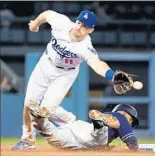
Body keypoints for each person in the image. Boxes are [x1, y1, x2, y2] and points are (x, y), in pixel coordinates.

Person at [11, 10, 134, 150]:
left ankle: (71, 123)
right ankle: (27, 140)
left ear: (91, 30)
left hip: (65, 75)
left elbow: (97, 64)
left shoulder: (85, 47)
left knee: (45, 109)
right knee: (29, 103)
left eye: (84, 27)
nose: (79, 28)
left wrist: (111, 75)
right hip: (45, 65)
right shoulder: (62, 23)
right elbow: (47, 14)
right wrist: (35, 23)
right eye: (79, 23)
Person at [24, 102, 139, 151]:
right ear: (126, 113)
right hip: (91, 136)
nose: (130, 124)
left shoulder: (114, 117)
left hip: (77, 129)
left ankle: (40, 114)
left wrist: (106, 148)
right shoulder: (121, 117)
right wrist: (135, 150)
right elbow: (132, 141)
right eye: (131, 121)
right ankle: (98, 121)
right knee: (99, 136)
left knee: (53, 136)